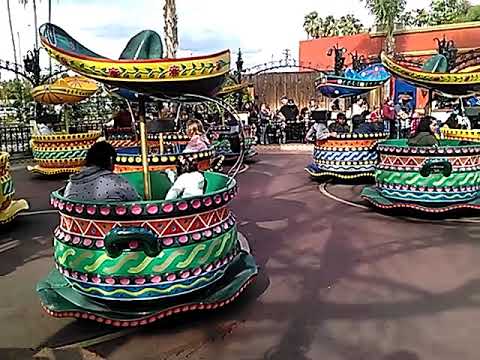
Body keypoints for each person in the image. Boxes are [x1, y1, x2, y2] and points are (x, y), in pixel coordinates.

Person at [64, 141, 141, 201]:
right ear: (111, 160)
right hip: (112, 220)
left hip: (78, 220)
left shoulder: (72, 183)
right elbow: (137, 202)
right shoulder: (118, 182)